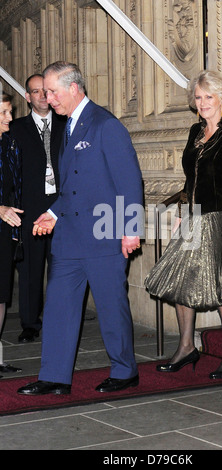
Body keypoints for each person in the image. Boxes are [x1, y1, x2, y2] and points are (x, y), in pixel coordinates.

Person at [18, 61, 143, 396]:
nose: (48, 98)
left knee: (110, 306)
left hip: (104, 234)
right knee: (59, 307)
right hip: (69, 238)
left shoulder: (105, 125)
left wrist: (131, 230)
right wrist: (54, 214)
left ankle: (124, 370)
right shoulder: (69, 125)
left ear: (73, 88)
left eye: (52, 92)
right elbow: (74, 184)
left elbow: (129, 182)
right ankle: (55, 376)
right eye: (44, 92)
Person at [145, 70, 222, 379]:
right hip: (194, 218)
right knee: (179, 281)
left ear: (221, 98)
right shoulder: (194, 131)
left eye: (208, 97)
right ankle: (187, 347)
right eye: (198, 97)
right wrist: (180, 213)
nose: (202, 103)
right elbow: (191, 178)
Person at [10, 74, 66, 343]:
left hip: (61, 207)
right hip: (29, 209)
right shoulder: (14, 128)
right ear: (27, 97)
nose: (43, 96)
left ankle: (58, 319)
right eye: (36, 92)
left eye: (46, 91)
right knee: (30, 269)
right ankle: (30, 324)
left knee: (61, 267)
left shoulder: (67, 123)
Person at [0, 92, 23, 373]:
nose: (10, 118)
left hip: (6, 228)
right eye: (4, 112)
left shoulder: (8, 143)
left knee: (2, 292)